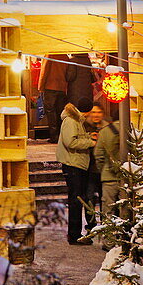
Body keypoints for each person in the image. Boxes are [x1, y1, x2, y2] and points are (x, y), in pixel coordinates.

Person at [56, 97, 97, 245]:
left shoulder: (76, 120)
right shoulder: (71, 121)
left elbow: (75, 137)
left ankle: (75, 234)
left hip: (77, 165)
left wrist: (87, 136)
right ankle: (74, 235)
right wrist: (90, 142)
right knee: (76, 201)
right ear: (86, 111)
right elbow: (70, 141)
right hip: (73, 165)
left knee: (78, 199)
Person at [84, 102, 108, 231]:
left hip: (103, 169)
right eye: (93, 112)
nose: (96, 115)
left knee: (104, 198)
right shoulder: (84, 127)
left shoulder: (107, 128)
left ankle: (105, 225)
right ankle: (91, 225)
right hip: (89, 169)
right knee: (89, 198)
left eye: (98, 112)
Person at [93, 116, 121, 225]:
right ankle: (125, 238)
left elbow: (98, 154)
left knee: (108, 209)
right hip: (128, 177)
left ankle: (108, 240)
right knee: (125, 209)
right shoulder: (132, 130)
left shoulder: (105, 131)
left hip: (109, 176)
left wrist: (103, 169)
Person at [38, 54, 69, 142]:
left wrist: (41, 86)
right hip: (62, 88)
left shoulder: (49, 55)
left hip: (50, 86)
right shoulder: (65, 56)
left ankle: (54, 136)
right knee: (60, 112)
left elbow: (45, 71)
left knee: (50, 112)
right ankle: (60, 136)